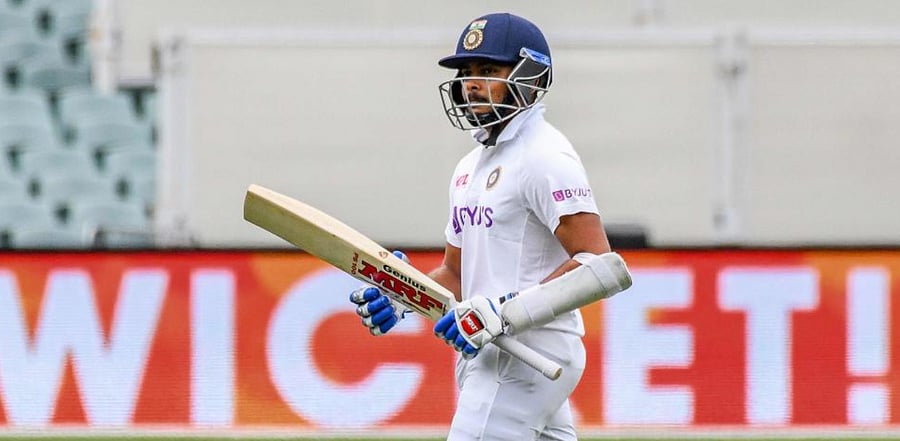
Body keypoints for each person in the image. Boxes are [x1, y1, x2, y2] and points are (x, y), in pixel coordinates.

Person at [350, 12, 631, 441]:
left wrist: (503, 312)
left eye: (488, 70)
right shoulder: (469, 167)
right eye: (466, 73)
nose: (471, 83)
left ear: (530, 75)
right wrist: (404, 293)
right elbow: (458, 275)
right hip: (488, 350)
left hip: (528, 352)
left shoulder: (545, 155)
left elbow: (598, 264)